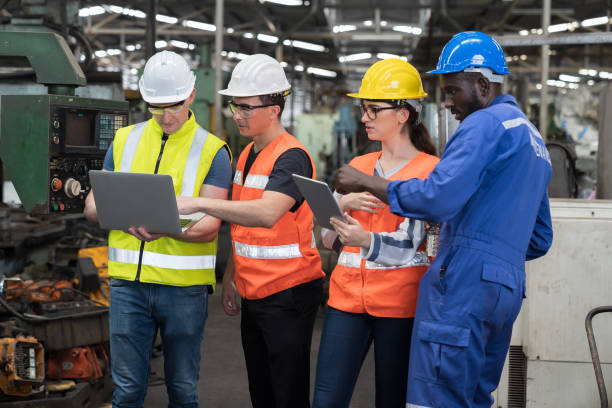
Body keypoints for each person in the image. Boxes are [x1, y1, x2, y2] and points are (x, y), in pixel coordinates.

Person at [333, 31, 554, 408]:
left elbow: (438, 197)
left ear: (483, 84)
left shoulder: (484, 125)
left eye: (453, 90)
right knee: (473, 398)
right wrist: (495, 254)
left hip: (464, 287)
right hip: (506, 290)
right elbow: (539, 238)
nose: (448, 103)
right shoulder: (534, 141)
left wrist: (367, 181)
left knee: (438, 397)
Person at [84, 50, 232, 408]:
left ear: (192, 95)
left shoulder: (214, 151)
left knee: (182, 391)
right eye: (155, 106)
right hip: (127, 287)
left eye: (174, 105)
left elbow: (210, 227)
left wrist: (162, 229)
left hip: (183, 292)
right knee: (128, 392)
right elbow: (91, 206)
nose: (165, 116)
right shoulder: (125, 141)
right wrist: (128, 217)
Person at [176, 53, 324, 408]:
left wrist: (199, 203)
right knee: (262, 390)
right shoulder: (247, 155)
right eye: (234, 106)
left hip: (288, 293)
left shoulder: (292, 157)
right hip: (256, 291)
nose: (237, 115)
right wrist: (231, 278)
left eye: (245, 107)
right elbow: (242, 227)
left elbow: (266, 214)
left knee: (287, 393)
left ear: (274, 108)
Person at [312, 59, 439, 408]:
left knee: (393, 399)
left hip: (400, 305)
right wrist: (343, 204)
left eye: (373, 109)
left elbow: (411, 245)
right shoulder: (359, 167)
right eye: (363, 109)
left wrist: (364, 240)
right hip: (345, 299)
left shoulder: (429, 172)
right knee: (326, 400)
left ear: (403, 114)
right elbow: (325, 239)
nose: (364, 117)